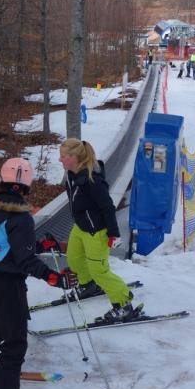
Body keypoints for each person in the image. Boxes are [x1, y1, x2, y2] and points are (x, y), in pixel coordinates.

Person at [0, 158, 77, 389]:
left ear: (2, 180)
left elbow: (12, 245)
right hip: (10, 284)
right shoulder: (22, 218)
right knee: (15, 343)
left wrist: (38, 245)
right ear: (26, 185)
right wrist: (53, 277)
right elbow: (25, 260)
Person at [58, 138, 137, 322]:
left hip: (97, 232)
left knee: (99, 271)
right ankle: (88, 285)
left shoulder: (93, 181)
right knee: (74, 258)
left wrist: (113, 233)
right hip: (81, 226)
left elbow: (108, 207)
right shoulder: (71, 174)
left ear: (74, 158)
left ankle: (124, 304)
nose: (60, 160)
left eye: (63, 156)